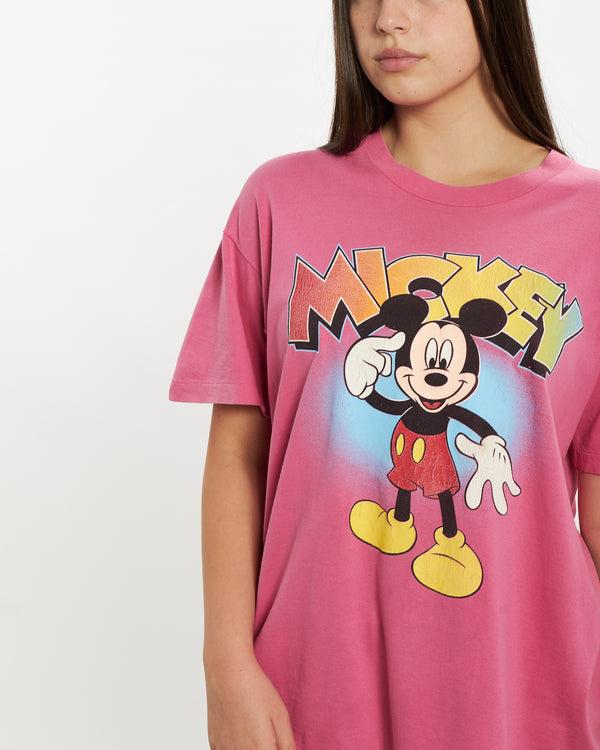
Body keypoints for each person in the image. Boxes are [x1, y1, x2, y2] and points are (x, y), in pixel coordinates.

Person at [169, 0, 600, 747]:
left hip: (524, 697)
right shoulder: (281, 200)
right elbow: (238, 454)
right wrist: (226, 667)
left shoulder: (589, 223)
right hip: (308, 692)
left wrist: (490, 446)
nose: (388, 18)